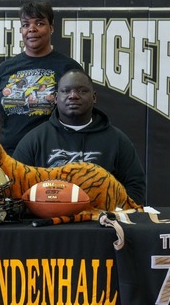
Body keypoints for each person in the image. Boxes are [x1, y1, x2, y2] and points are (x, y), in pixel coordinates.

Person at [13, 68, 146, 204]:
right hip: (51, 222)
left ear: (94, 97)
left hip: (100, 222)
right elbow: (16, 185)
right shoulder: (34, 140)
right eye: (66, 91)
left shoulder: (117, 140)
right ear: (56, 98)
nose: (73, 96)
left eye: (82, 91)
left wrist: (112, 211)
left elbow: (135, 187)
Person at [0, 0, 83, 154]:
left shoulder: (69, 68)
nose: (31, 29)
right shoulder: (6, 68)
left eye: (39, 23)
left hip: (52, 158)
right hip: (10, 158)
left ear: (51, 28)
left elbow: (79, 119)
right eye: (25, 25)